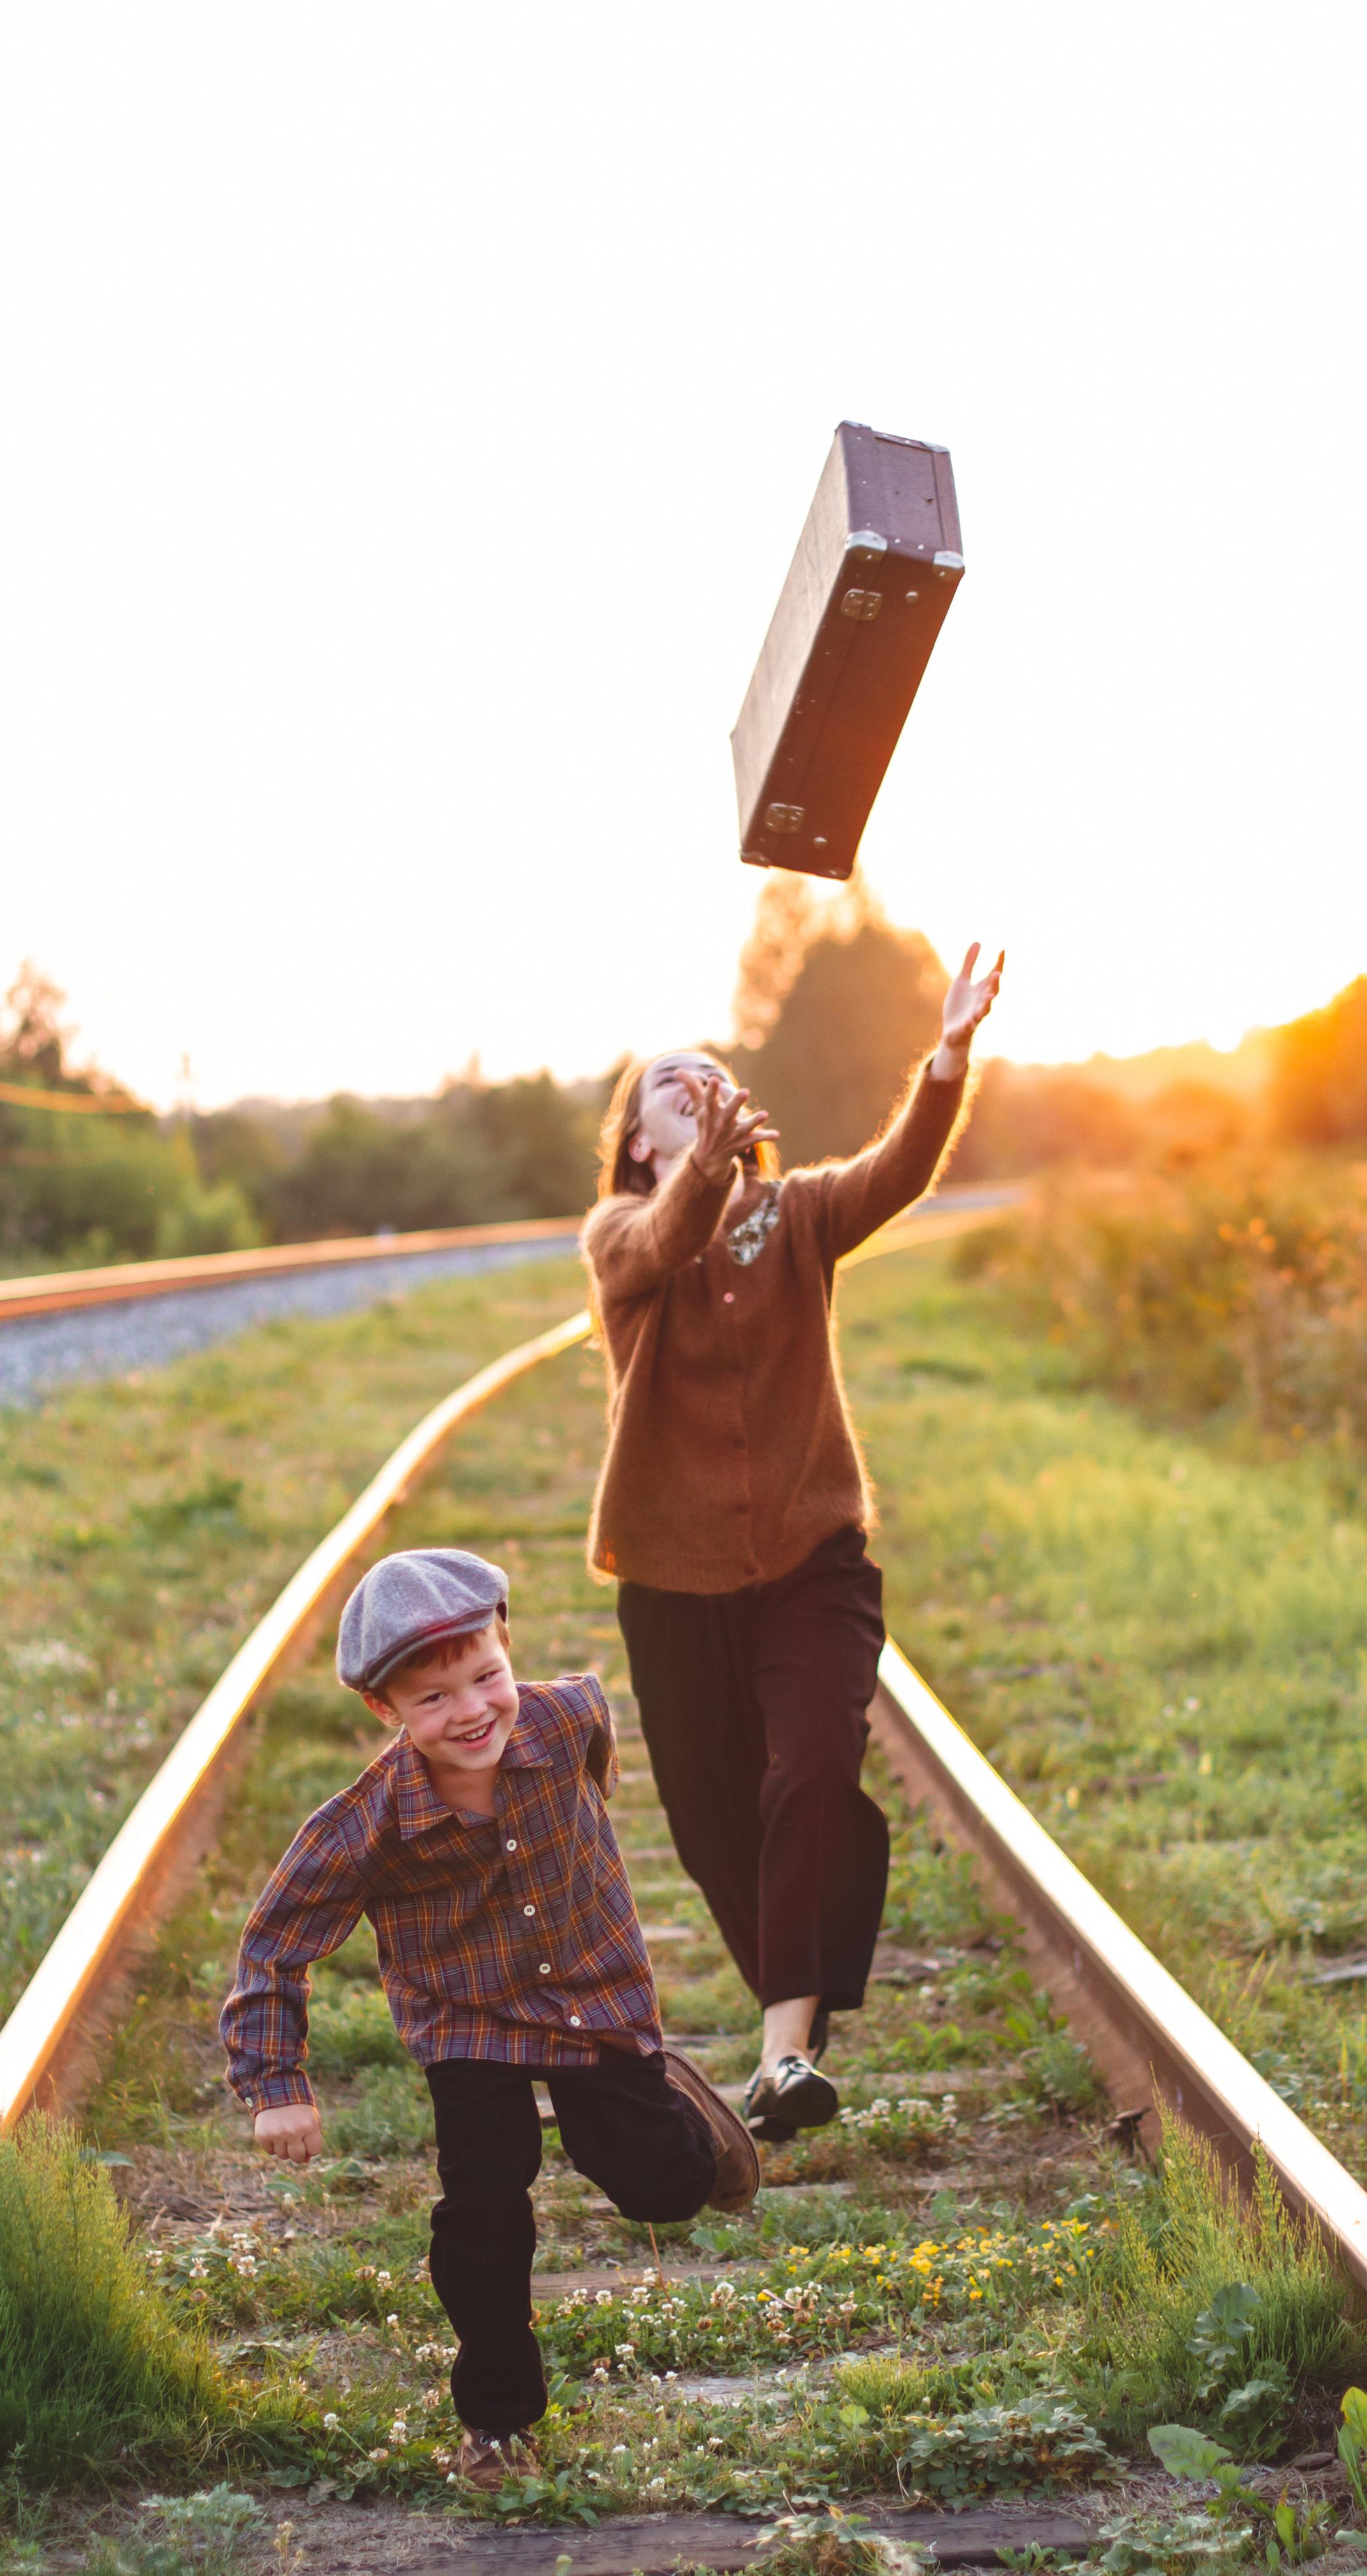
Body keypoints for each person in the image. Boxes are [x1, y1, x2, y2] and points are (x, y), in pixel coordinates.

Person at [218, 1545, 759, 2487]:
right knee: (483, 2213)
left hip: (594, 1995)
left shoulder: (570, 1711)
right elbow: (274, 1944)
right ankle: (498, 2424)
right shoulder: (363, 1826)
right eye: (433, 1700)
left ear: (511, 1655)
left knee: (660, 2188)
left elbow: (598, 1755)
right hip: (468, 2025)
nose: (471, 1711)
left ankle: (677, 2104)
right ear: (384, 1712)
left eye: (486, 1678)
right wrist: (277, 2087)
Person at [582, 943, 1003, 2141]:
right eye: (671, 1082)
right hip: (674, 1585)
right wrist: (702, 1180)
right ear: (642, 1140)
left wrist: (947, 1058)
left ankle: (782, 2058)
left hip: (814, 1562)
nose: (696, 1081)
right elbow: (659, 1246)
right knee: (719, 1827)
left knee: (814, 1766)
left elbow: (898, 1171)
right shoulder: (619, 1237)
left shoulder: (802, 1213)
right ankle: (792, 2025)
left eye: (711, 1071)